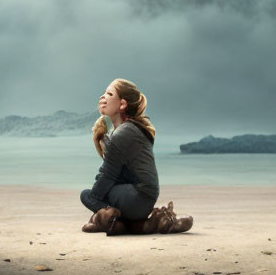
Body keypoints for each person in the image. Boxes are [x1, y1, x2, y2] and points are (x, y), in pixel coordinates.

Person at [80, 79, 193, 235]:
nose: (103, 97)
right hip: (142, 197)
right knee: (98, 193)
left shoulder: (122, 133)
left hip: (136, 198)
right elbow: (118, 171)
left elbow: (108, 175)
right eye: (104, 92)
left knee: (86, 195)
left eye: (109, 94)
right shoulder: (129, 129)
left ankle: (108, 219)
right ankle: (131, 223)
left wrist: (93, 200)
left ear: (122, 104)